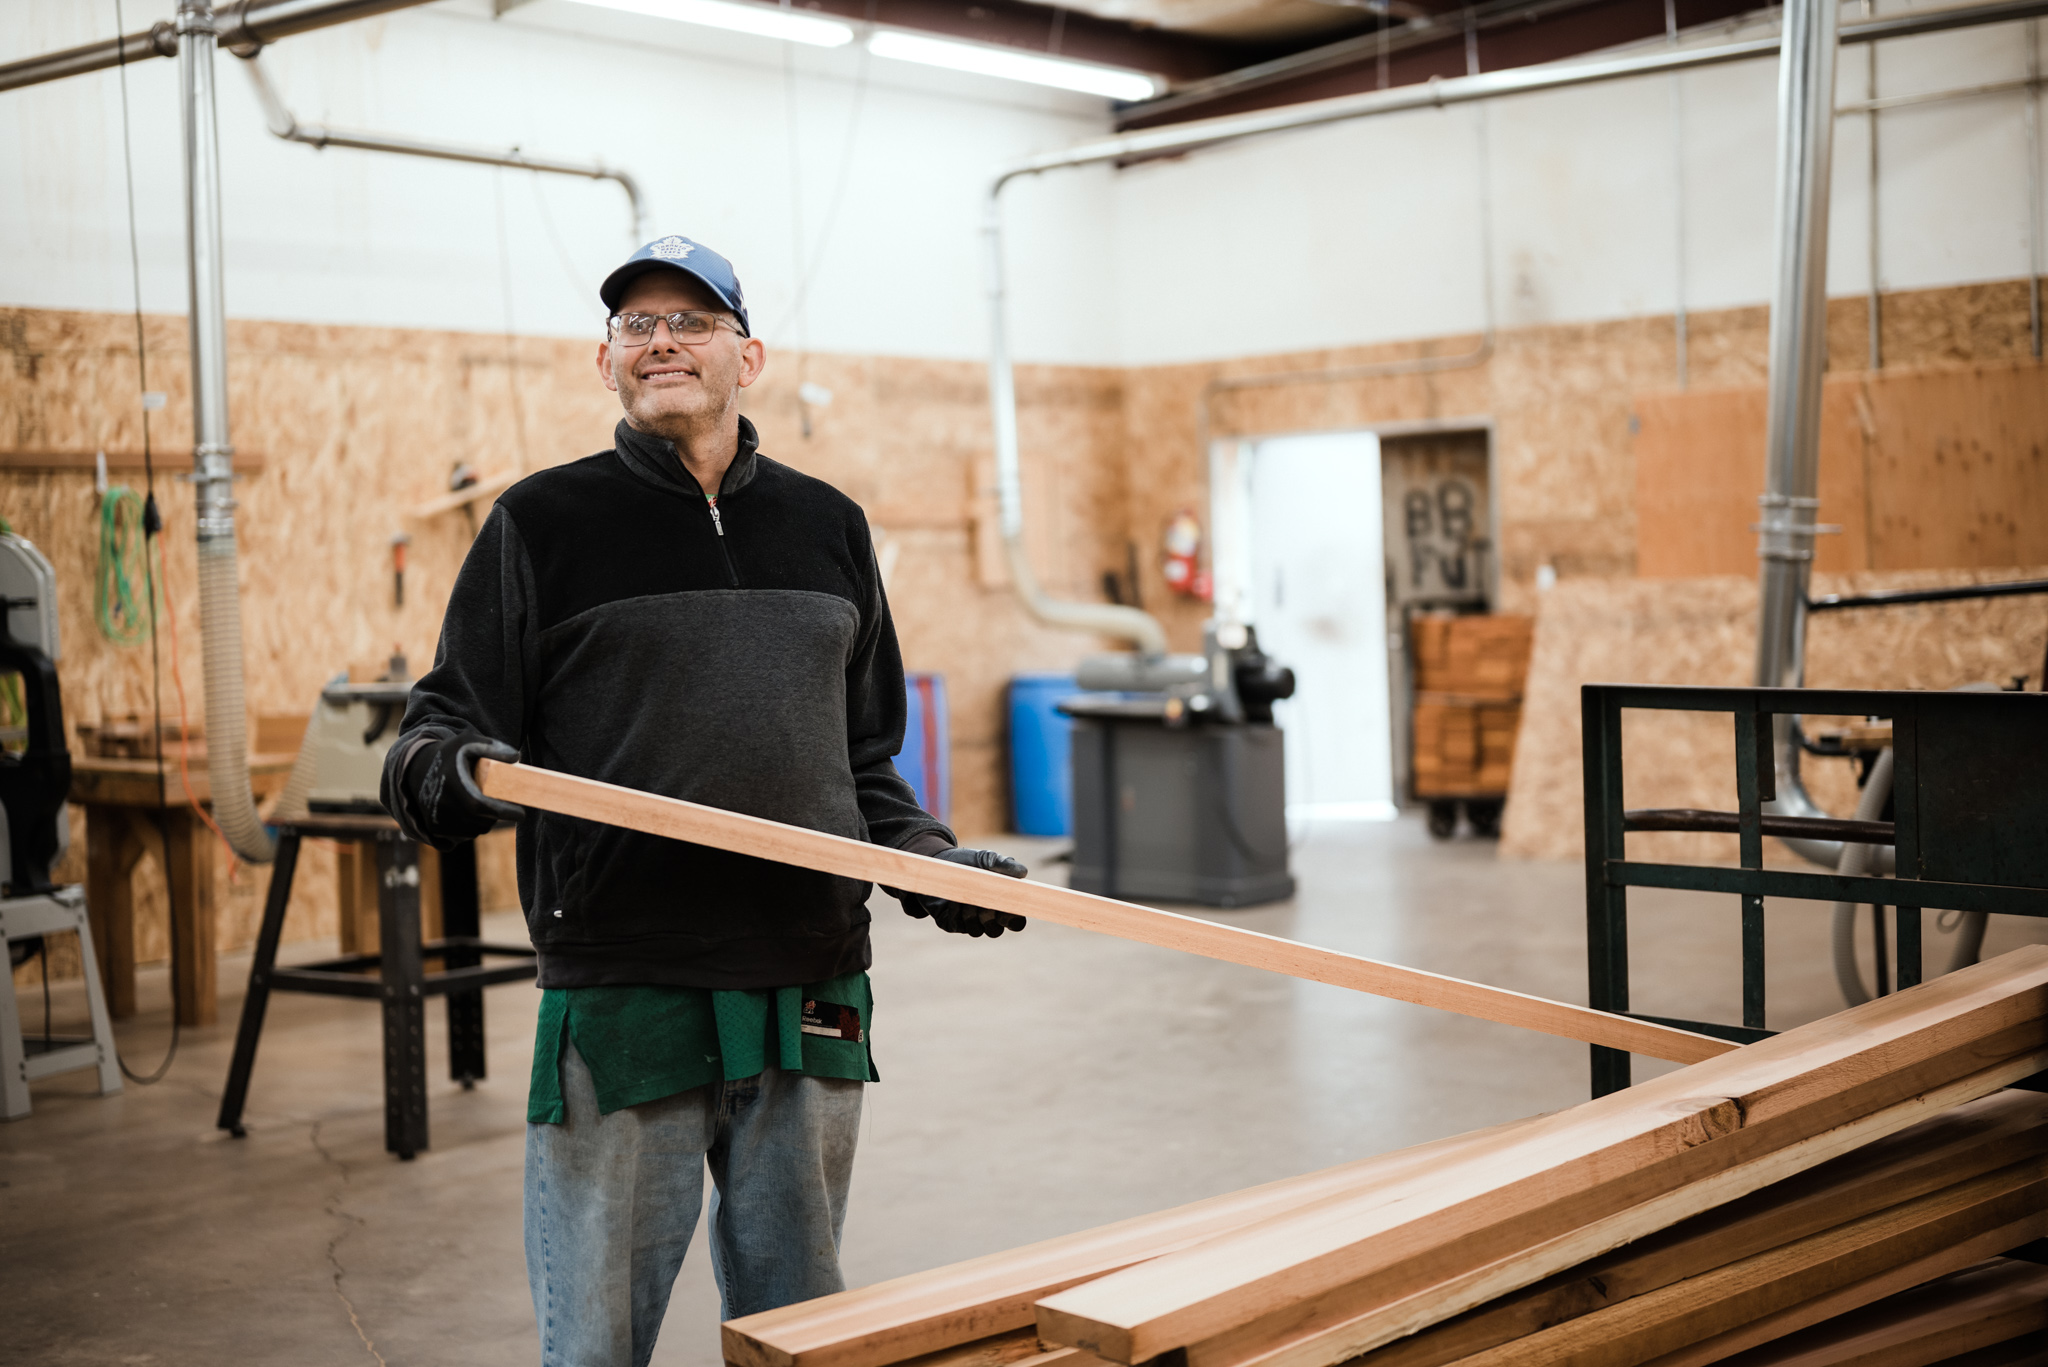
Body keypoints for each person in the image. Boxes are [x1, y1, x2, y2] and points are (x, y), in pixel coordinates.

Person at [381, 233, 1028, 1367]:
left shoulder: (830, 525)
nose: (662, 340)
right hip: (629, 978)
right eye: (637, 324)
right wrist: (449, 775)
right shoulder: (540, 525)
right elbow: (439, 728)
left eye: (690, 320)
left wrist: (931, 861)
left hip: (809, 971)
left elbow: (864, 757)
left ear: (750, 356)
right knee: (596, 1335)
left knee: (803, 1328)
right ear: (606, 362)